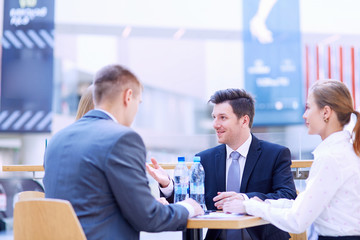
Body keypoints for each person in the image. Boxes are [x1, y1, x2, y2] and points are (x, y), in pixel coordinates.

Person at [43, 64, 204, 240]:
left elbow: (89, 202)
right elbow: (148, 217)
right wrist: (188, 207)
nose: (136, 111)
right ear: (128, 96)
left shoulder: (57, 139)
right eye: (138, 102)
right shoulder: (122, 138)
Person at [147, 88, 297, 240]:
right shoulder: (205, 159)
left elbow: (287, 196)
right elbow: (191, 201)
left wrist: (244, 199)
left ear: (244, 120)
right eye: (214, 117)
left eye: (223, 117)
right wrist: (168, 185)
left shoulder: (275, 154)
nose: (215, 124)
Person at [223, 80, 360, 239]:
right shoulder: (345, 150)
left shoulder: (331, 157)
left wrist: (249, 206)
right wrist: (258, 203)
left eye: (308, 107)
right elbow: (304, 205)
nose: (304, 115)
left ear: (326, 112)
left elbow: (297, 221)